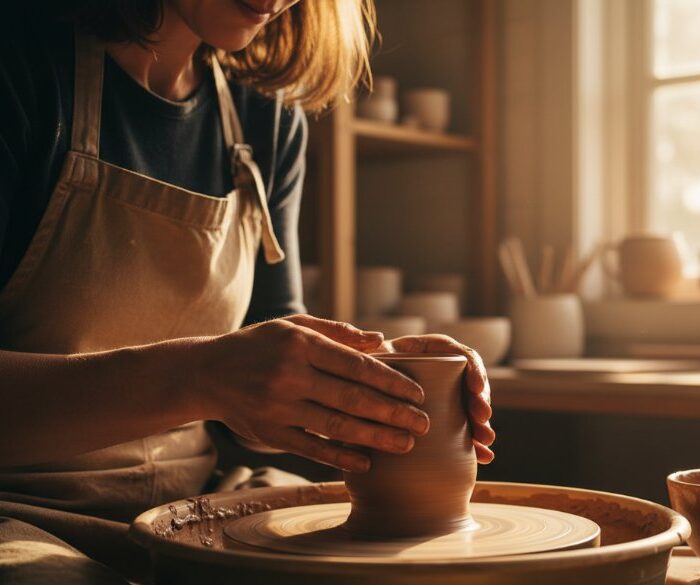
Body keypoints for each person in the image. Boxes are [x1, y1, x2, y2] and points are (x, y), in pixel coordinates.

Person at [0, 1, 494, 582]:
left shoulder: (265, 116)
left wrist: (381, 381)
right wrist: (198, 376)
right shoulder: (20, 66)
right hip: (19, 517)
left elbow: (266, 376)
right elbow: (224, 373)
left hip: (187, 509)